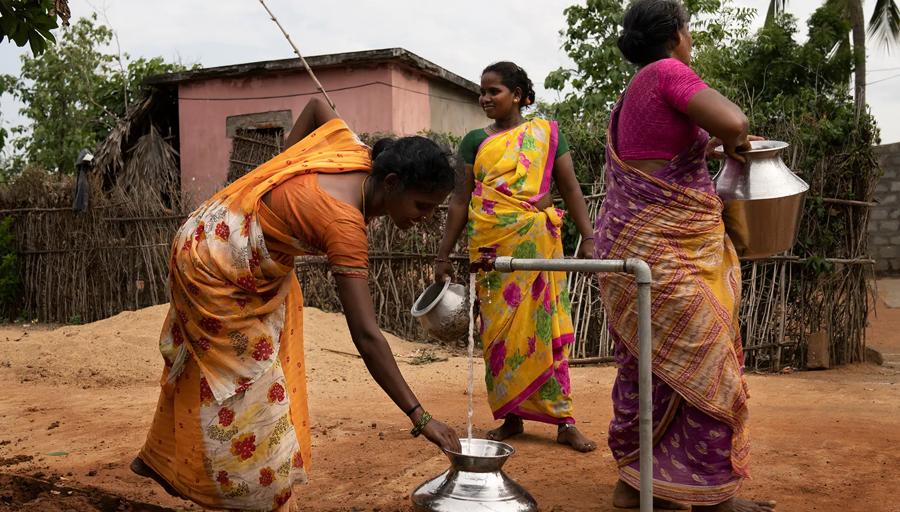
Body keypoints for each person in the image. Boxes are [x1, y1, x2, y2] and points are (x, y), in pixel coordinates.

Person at [130, 97, 461, 511]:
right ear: (391, 182)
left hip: (215, 229)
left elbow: (319, 107)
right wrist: (420, 416)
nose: (424, 218)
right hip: (212, 263)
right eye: (421, 206)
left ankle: (159, 459)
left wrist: (279, 171)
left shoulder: (353, 150)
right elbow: (366, 335)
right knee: (252, 386)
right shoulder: (343, 225)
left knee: (224, 365)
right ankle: (254, 496)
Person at [593, 0, 775, 510]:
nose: (690, 38)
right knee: (706, 356)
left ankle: (637, 483)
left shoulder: (636, 88)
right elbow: (735, 120)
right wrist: (732, 139)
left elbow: (658, 154)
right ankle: (714, 497)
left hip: (633, 240)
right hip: (663, 245)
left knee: (648, 361)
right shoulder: (668, 72)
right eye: (688, 29)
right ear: (676, 34)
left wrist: (710, 147)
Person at [435, 62, 597, 453]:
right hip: (491, 248)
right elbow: (460, 200)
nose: (485, 98)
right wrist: (443, 252)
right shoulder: (474, 141)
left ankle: (565, 420)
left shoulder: (547, 134)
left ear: (520, 95)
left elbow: (570, 188)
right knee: (499, 334)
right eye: (483, 91)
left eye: (494, 91)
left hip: (537, 247)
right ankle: (512, 416)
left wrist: (590, 236)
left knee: (544, 327)